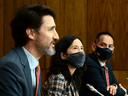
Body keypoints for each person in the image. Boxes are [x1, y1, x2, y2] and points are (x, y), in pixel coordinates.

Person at [0, 4, 59, 96]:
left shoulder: (35, 66)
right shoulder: (10, 66)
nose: (56, 36)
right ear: (31, 33)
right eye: (51, 29)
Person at [79, 32, 125, 96]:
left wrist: (114, 86)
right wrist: (124, 90)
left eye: (110, 46)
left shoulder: (107, 64)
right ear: (94, 46)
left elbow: (116, 83)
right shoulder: (89, 64)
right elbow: (107, 93)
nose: (107, 49)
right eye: (103, 45)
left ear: (113, 50)